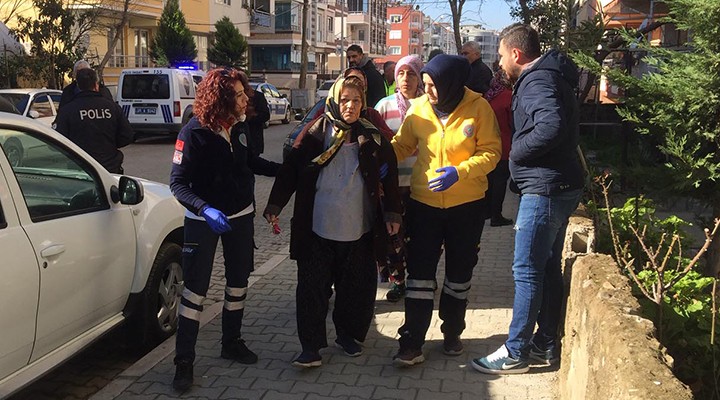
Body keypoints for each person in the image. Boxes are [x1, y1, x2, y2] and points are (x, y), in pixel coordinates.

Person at [263, 77, 402, 368]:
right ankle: (310, 347)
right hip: (318, 227)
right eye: (344, 100)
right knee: (312, 290)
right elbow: (291, 170)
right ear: (334, 101)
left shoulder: (373, 137)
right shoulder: (315, 134)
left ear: (363, 104)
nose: (350, 106)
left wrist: (392, 213)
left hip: (358, 228)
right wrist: (275, 205)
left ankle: (348, 336)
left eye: (356, 101)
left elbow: (390, 176)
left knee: (356, 289)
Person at [471, 24, 584, 375]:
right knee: (546, 266)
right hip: (558, 184)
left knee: (526, 270)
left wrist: (515, 153)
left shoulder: (536, 81)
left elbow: (550, 126)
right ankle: (545, 343)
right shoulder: (551, 75)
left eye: (501, 54)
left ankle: (515, 351)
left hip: (544, 189)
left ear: (516, 53)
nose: (499, 62)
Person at [169, 67, 280, 392]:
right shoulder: (193, 132)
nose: (246, 99)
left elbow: (250, 162)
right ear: (221, 98)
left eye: (245, 93)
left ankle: (231, 342)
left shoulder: (240, 126)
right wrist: (204, 208)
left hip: (241, 214)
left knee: (238, 282)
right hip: (203, 220)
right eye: (240, 95)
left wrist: (287, 170)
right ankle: (183, 362)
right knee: (195, 290)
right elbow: (177, 183)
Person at [390, 54, 501, 367]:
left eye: (433, 85)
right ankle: (412, 341)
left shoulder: (479, 108)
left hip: (467, 207)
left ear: (451, 83)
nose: (427, 91)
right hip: (424, 205)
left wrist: (460, 172)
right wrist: (376, 155)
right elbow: (402, 145)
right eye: (424, 84)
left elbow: (492, 152)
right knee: (419, 275)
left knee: (458, 274)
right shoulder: (419, 109)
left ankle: (452, 331)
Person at [374, 54, 424, 302]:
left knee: (421, 237)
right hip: (393, 186)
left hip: (422, 186)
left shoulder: (428, 106)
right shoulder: (384, 106)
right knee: (392, 237)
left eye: (412, 73)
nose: (406, 79)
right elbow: (375, 144)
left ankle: (421, 277)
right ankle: (398, 281)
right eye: (401, 73)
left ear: (420, 77)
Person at [52, 68, 133, 173]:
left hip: (80, 168)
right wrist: (109, 144)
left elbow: (57, 140)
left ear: (78, 86)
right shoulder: (112, 108)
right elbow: (127, 135)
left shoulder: (68, 110)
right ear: (96, 85)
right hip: (109, 167)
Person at [484, 69, 514, 227]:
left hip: (488, 144)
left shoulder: (489, 96)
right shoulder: (509, 96)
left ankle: (486, 212)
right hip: (504, 145)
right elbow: (513, 123)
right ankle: (496, 215)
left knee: (489, 181)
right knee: (500, 182)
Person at [245, 87, 271, 156]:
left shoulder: (257, 96)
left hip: (253, 140)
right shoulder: (230, 96)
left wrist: (251, 116)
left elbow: (265, 115)